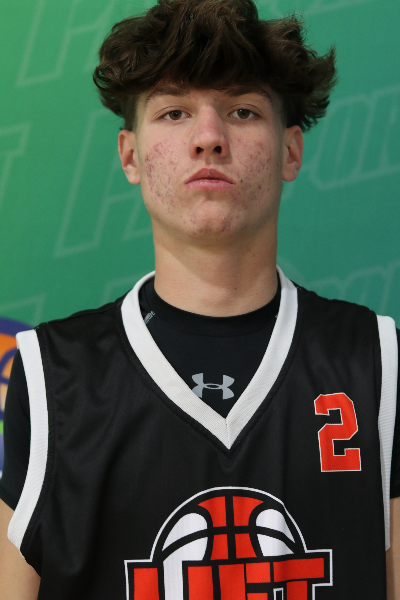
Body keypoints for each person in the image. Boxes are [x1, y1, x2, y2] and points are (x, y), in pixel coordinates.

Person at [0, 0, 399, 597]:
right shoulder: (51, 376)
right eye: (174, 112)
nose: (209, 137)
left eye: (242, 111)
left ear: (290, 151)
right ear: (130, 155)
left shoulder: (379, 363)